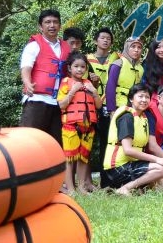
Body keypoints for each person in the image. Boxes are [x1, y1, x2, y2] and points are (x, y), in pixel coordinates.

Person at [103, 84, 163, 195]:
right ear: (131, 98)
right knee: (161, 169)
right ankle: (125, 188)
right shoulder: (127, 117)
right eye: (140, 96)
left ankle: (136, 188)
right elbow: (128, 150)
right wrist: (157, 159)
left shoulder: (143, 117)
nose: (144, 100)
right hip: (118, 168)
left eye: (147, 97)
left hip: (132, 164)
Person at [20, 9, 72, 145]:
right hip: (36, 100)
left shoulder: (66, 47)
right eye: (47, 22)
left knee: (56, 144)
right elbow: (26, 67)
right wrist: (27, 83)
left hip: (59, 103)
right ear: (40, 26)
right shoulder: (34, 45)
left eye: (55, 22)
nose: (52, 25)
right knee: (30, 141)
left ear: (60, 26)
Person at [57, 52, 102, 193]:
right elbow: (61, 105)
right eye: (76, 66)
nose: (79, 69)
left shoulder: (88, 84)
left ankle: (82, 188)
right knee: (69, 158)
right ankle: (71, 189)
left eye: (83, 67)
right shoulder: (65, 82)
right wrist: (72, 92)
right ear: (69, 68)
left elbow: (99, 105)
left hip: (88, 127)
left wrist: (94, 92)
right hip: (71, 126)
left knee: (84, 158)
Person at [86, 27, 120, 189]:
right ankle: (86, 180)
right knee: (88, 142)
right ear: (95, 41)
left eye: (108, 38)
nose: (105, 41)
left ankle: (106, 180)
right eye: (102, 38)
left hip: (109, 104)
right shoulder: (86, 60)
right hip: (90, 104)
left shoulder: (117, 58)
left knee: (108, 141)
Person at [105, 37, 144, 116]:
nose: (136, 50)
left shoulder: (140, 68)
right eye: (133, 46)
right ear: (127, 47)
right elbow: (110, 88)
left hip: (133, 107)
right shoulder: (118, 64)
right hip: (118, 106)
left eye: (139, 47)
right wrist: (112, 111)